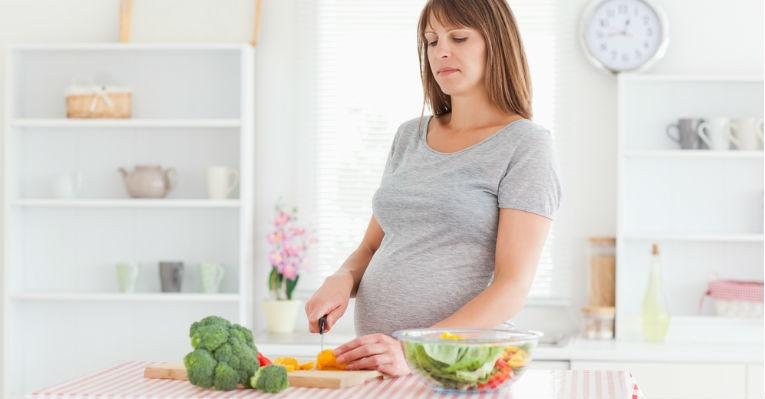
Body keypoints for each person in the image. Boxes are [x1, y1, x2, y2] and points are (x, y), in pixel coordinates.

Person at [304, 0, 562, 377]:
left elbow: (512, 285)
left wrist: (418, 351)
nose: (441, 51)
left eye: (458, 37)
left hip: (457, 369)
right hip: (386, 368)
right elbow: (372, 246)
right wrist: (342, 278)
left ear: (498, 43)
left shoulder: (525, 145)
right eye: (430, 40)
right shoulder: (409, 135)